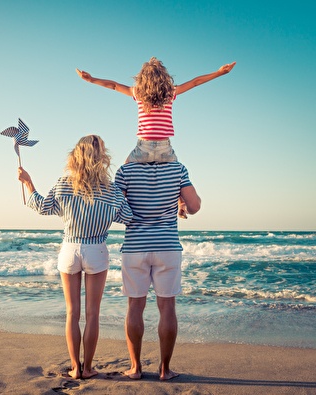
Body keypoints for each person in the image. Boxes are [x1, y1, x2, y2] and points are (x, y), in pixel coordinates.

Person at [18, 135, 133, 379]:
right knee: (92, 314)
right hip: (97, 251)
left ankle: (74, 368)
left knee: (72, 313)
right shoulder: (111, 190)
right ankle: (88, 367)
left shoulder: (64, 184)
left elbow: (42, 207)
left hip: (70, 250)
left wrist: (28, 183)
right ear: (102, 158)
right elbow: (128, 217)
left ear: (76, 156)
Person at [114, 159, 201, 381]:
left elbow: (115, 208)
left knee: (135, 305)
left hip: (135, 247)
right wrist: (179, 199)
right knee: (167, 306)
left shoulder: (125, 170)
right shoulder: (178, 168)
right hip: (167, 247)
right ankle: (165, 369)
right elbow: (195, 206)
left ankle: (135, 368)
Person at [76, 57, 236, 164]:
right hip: (164, 147)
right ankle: (181, 203)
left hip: (143, 147)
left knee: (124, 172)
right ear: (164, 77)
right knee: (178, 175)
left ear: (142, 79)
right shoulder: (170, 92)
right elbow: (195, 82)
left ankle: (121, 205)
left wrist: (91, 80)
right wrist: (220, 73)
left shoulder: (137, 93)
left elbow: (114, 85)